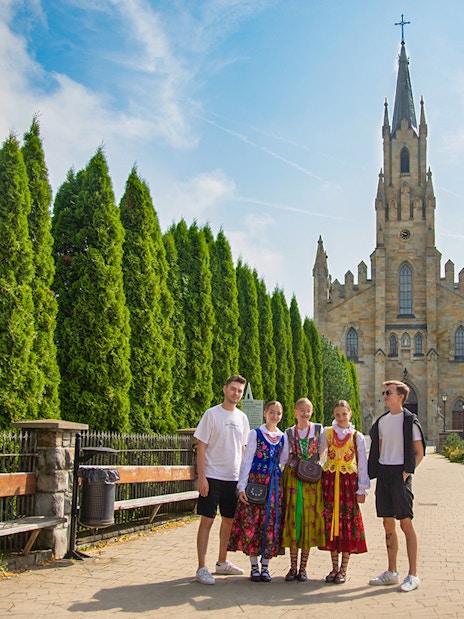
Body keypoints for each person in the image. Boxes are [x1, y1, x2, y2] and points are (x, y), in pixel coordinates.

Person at [368, 380, 426, 593]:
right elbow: (380, 448)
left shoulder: (410, 421)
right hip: (385, 473)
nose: (385, 396)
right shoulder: (382, 421)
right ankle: (392, 572)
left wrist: (406, 473)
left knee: (405, 524)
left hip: (400, 473)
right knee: (387, 524)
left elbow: (419, 451)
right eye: (384, 392)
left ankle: (413, 574)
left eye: (388, 393)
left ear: (400, 396)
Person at [194, 374, 250, 585]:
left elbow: (244, 449)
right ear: (224, 389)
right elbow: (201, 446)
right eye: (233, 389)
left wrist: (243, 480)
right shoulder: (212, 414)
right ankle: (201, 567)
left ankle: (222, 562)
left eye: (239, 391)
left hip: (233, 478)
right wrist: (202, 477)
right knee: (207, 520)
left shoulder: (242, 418)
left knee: (229, 520)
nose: (236, 393)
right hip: (212, 476)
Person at [228, 401, 289, 583]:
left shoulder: (282, 436)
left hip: (274, 485)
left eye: (278, 413)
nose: (275, 416)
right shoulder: (255, 434)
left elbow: (284, 460)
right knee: (253, 522)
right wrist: (242, 486)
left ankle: (266, 566)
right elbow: (247, 460)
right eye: (272, 412)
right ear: (265, 413)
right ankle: (254, 565)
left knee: (270, 522)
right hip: (256, 482)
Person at [319, 400, 369, 584]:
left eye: (344, 414)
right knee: (331, 520)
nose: (340, 418)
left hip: (348, 482)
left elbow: (362, 463)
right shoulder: (328, 433)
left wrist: (362, 488)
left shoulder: (357, 436)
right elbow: (319, 454)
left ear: (350, 414)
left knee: (347, 522)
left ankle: (343, 569)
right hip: (330, 481)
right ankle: (333, 567)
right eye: (337, 414)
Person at [281, 397, 325, 581]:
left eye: (308, 410)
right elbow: (284, 457)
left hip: (312, 480)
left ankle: (303, 567)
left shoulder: (318, 429)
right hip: (293, 479)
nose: (305, 414)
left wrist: (310, 464)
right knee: (294, 519)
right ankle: (292, 567)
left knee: (308, 520)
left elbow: (321, 451)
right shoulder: (289, 432)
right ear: (295, 412)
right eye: (302, 410)